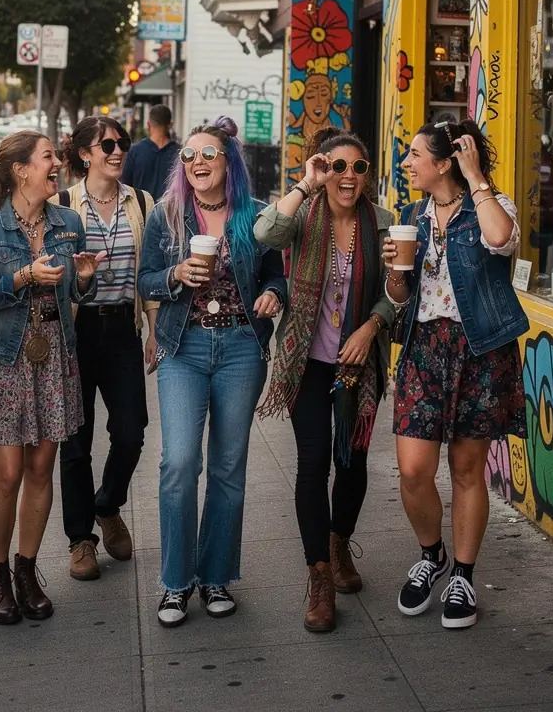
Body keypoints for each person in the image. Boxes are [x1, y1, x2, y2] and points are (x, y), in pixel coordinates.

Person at [138, 116, 286, 627]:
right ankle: (175, 583)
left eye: (208, 154)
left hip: (241, 347)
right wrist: (175, 273)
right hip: (184, 346)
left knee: (227, 466)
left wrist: (274, 295)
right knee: (179, 463)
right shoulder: (167, 216)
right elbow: (145, 280)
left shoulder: (257, 216)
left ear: (229, 163)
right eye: (189, 155)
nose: (196, 162)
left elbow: (276, 276)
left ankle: (216, 576)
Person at [383, 117, 528, 630]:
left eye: (415, 155)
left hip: (480, 349)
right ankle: (433, 555)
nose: (406, 163)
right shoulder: (412, 216)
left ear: (444, 163)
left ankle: (463, 575)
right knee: (413, 470)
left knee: (467, 469)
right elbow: (399, 297)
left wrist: (476, 177)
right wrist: (395, 274)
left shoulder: (491, 205)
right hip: (424, 348)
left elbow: (501, 238)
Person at [0, 131, 103, 624]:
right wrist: (21, 278)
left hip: (54, 352)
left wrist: (84, 278)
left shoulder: (69, 222)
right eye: (48, 157)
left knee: (42, 470)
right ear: (21, 169)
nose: (57, 164)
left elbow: (78, 295)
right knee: (8, 474)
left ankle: (27, 571)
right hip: (4, 356)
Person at [255, 129, 394, 632]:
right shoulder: (303, 216)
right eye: (338, 167)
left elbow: (399, 290)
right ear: (323, 169)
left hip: (359, 363)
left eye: (358, 168)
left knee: (352, 461)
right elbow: (265, 234)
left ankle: (339, 544)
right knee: (313, 463)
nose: (348, 176)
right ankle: (319, 576)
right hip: (307, 361)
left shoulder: (382, 223)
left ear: (367, 175)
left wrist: (372, 325)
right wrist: (304, 184)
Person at [55, 115, 159, 581]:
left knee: (132, 431)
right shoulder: (62, 204)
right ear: (85, 154)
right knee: (75, 442)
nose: (118, 152)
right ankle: (80, 539)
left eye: (122, 143)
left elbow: (149, 270)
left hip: (122, 328)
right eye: (108, 145)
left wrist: (153, 329)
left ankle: (108, 505)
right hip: (75, 333)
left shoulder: (142, 202)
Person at [122, 103, 179, 200]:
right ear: (170, 125)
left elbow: (125, 188)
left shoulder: (134, 152)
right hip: (171, 208)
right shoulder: (179, 153)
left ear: (148, 124)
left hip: (140, 208)